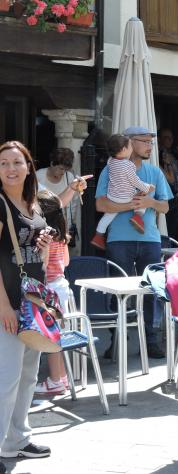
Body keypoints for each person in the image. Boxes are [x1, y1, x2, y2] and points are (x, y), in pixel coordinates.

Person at [95, 126, 173, 359]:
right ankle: (117, 340)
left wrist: (149, 203)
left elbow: (165, 207)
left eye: (151, 142)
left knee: (152, 289)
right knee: (118, 291)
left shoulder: (155, 172)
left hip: (150, 240)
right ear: (129, 143)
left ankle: (151, 340)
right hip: (119, 240)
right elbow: (100, 205)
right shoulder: (110, 169)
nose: (150, 146)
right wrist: (132, 205)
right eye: (145, 141)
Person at [0, 141, 54, 469]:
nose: (10, 168)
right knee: (6, 379)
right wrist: (4, 307)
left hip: (32, 302)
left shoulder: (34, 205)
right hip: (8, 303)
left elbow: (38, 258)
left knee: (28, 376)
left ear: (28, 166)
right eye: (4, 163)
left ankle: (16, 440)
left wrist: (43, 246)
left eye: (17, 162)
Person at [34, 190, 71, 396]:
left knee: (50, 338)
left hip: (49, 290)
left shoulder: (44, 238)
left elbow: (43, 265)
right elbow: (66, 262)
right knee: (56, 336)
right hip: (61, 286)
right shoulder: (62, 237)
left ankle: (56, 381)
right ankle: (61, 377)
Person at [90, 135, 154, 250]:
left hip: (112, 196)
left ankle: (98, 236)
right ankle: (138, 217)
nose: (132, 149)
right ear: (124, 149)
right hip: (126, 197)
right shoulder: (128, 165)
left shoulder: (110, 162)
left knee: (107, 217)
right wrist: (147, 188)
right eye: (130, 147)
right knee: (141, 197)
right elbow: (135, 181)